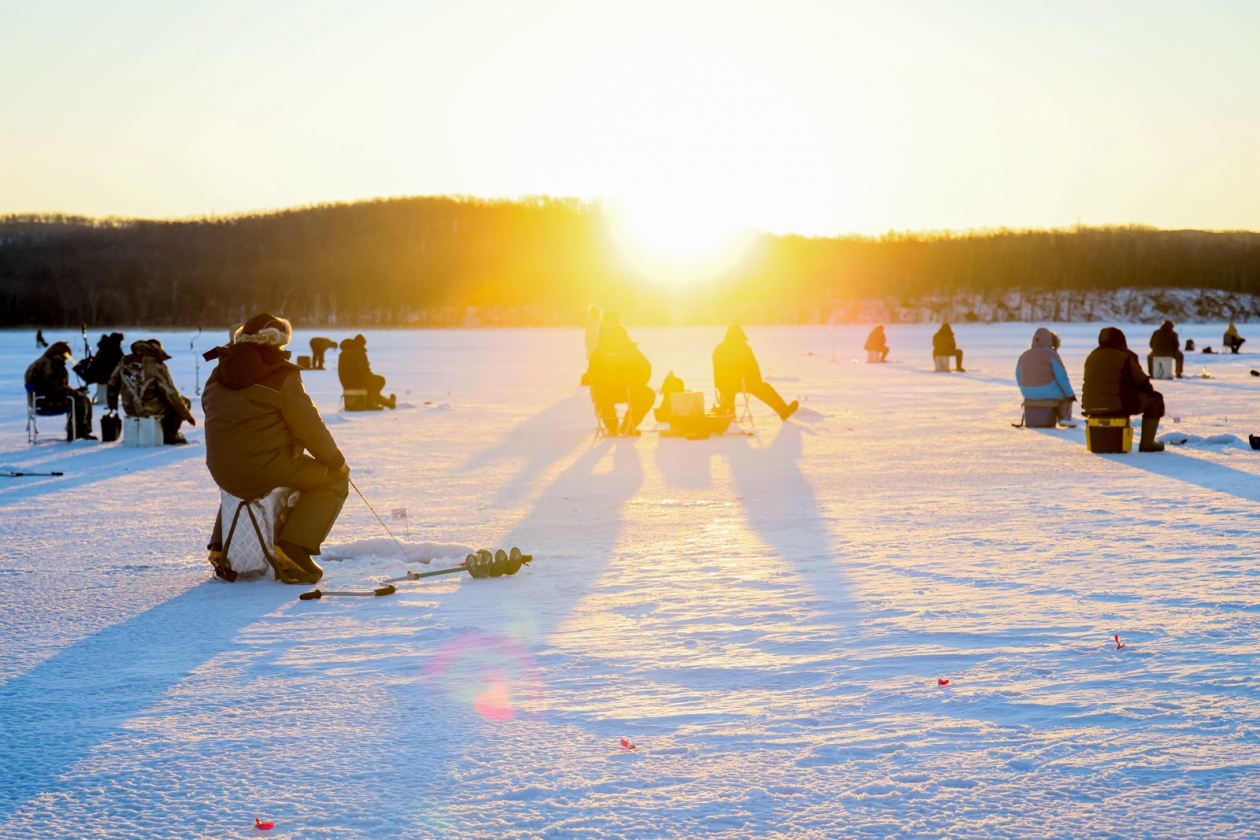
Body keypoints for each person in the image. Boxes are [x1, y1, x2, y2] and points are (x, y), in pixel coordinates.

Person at [202, 313, 348, 585]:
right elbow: (309, 426)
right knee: (333, 482)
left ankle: (220, 547)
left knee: (240, 474)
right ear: (278, 341)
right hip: (268, 468)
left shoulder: (218, 371)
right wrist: (336, 461)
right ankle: (295, 548)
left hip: (221, 469)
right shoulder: (281, 375)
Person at [1082, 327, 1165, 452]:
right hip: (1121, 405)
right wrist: (1148, 392)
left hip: (1091, 405)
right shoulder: (1126, 355)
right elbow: (1142, 381)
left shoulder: (1091, 356)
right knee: (1156, 399)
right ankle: (1147, 443)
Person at [106, 339, 197, 445]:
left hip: (129, 408)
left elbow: (111, 384)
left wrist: (112, 405)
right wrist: (186, 414)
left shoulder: (125, 361)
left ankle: (158, 433)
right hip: (149, 409)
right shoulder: (157, 365)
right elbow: (170, 394)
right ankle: (170, 436)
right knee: (184, 402)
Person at [712, 325, 799, 421]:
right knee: (765, 388)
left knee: (728, 388)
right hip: (741, 382)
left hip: (722, 384)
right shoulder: (743, 348)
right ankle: (783, 411)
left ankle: (729, 411)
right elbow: (753, 367)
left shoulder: (719, 349)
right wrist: (757, 382)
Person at [586, 322, 655, 435]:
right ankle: (628, 426)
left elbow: (591, 371)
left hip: (603, 391)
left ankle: (612, 427)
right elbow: (646, 367)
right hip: (627, 390)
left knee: (603, 399)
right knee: (648, 395)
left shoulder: (600, 350)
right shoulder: (629, 349)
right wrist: (639, 383)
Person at [25, 342, 95, 440]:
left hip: (43, 398)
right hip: (44, 401)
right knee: (81, 401)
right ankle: (78, 433)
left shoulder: (46, 362)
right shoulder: (47, 365)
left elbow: (54, 387)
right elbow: (55, 388)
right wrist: (75, 393)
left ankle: (78, 431)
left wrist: (75, 391)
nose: (65, 360)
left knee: (80, 398)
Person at [1016, 327, 1076, 424]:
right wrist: (1070, 395)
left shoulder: (1024, 355)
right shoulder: (1051, 354)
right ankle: (1063, 418)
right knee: (1065, 394)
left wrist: (1026, 388)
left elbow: (1018, 376)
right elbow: (1062, 377)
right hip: (1047, 391)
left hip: (1027, 392)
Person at [338, 334, 396, 409]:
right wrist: (373, 380)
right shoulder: (359, 352)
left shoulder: (343, 353)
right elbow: (365, 371)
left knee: (372, 389)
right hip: (357, 382)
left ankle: (388, 403)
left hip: (345, 383)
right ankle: (371, 403)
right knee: (380, 381)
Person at [76, 332, 126, 403]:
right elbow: (120, 362)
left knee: (104, 395)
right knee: (107, 400)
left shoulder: (104, 347)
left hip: (101, 376)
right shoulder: (114, 349)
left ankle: (105, 401)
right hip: (108, 377)